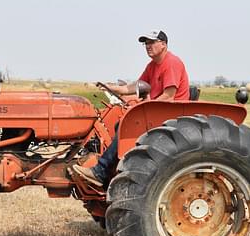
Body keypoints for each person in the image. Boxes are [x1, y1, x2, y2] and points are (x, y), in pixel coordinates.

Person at [72, 29, 189, 187]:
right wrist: (112, 88)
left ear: (163, 44)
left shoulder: (171, 63)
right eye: (146, 43)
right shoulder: (152, 66)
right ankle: (110, 171)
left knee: (127, 127)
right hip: (160, 112)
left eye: (152, 42)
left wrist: (144, 108)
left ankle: (100, 172)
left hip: (170, 115)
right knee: (118, 124)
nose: (148, 46)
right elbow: (135, 87)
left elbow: (169, 96)